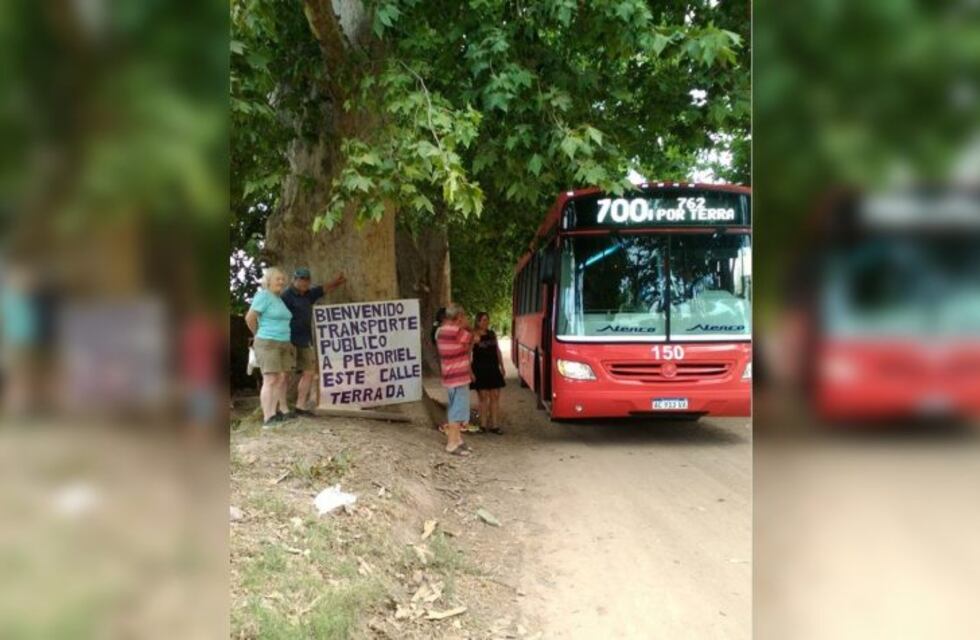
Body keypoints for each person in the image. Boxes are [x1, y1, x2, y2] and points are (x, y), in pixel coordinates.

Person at [280, 267, 346, 415]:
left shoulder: (308, 294)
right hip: (288, 340)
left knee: (309, 372)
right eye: (300, 279)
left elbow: (323, 289)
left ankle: (300, 406)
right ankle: (282, 409)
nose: (303, 283)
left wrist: (337, 282)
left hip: (305, 340)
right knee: (284, 375)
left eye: (306, 280)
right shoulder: (286, 296)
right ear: (294, 280)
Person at [245, 267, 295, 428]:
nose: (281, 282)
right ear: (268, 281)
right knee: (271, 379)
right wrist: (258, 333)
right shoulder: (263, 296)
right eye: (278, 279)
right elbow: (249, 318)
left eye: (282, 279)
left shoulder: (278, 299)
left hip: (283, 343)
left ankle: (274, 413)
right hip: (268, 343)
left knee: (281, 378)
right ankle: (268, 418)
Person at [435, 304, 474, 456]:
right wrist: (466, 326)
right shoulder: (457, 331)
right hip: (459, 377)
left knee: (454, 408)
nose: (466, 319)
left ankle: (458, 440)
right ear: (458, 317)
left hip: (449, 376)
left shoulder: (440, 331)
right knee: (457, 412)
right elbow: (473, 338)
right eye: (464, 316)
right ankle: (451, 444)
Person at [470, 312, 506, 434]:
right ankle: (483, 425)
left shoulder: (492, 334)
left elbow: (497, 351)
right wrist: (470, 372)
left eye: (487, 320)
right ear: (478, 321)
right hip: (479, 369)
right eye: (483, 320)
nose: (486, 322)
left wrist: (502, 366)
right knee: (483, 397)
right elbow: (468, 354)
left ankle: (495, 425)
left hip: (493, 368)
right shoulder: (473, 335)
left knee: (495, 396)